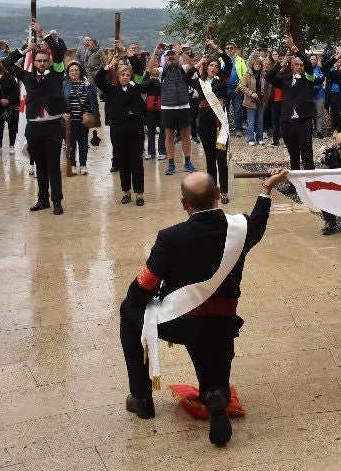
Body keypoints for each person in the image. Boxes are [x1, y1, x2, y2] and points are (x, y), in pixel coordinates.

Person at [119, 168, 286, 446]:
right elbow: (258, 221)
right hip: (221, 323)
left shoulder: (170, 237)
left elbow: (145, 285)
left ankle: (142, 398)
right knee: (216, 380)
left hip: (177, 322)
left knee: (128, 314)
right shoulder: (242, 229)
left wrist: (133, 301)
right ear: (219, 195)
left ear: (184, 203)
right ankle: (215, 396)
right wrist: (266, 187)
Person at [3, 20, 68, 215]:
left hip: (53, 125)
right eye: (38, 60)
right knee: (39, 166)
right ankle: (42, 199)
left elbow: (58, 53)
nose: (40, 63)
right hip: (34, 126)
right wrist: (24, 49)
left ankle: (57, 200)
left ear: (48, 62)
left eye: (44, 60)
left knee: (53, 167)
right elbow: (6, 63)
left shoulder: (56, 74)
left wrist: (43, 33)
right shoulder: (28, 77)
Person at [96, 46, 148, 206]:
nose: (125, 77)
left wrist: (127, 53)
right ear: (118, 76)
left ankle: (139, 193)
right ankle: (126, 191)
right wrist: (110, 65)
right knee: (122, 161)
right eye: (122, 75)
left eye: (127, 75)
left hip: (135, 127)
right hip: (118, 128)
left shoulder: (136, 86)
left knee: (136, 161)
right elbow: (98, 80)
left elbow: (139, 69)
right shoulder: (111, 90)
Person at [265, 37, 319, 187]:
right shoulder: (285, 80)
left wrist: (295, 48)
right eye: (296, 64)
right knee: (293, 155)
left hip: (304, 121)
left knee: (307, 155)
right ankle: (294, 185)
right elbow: (268, 77)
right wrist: (281, 63)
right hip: (287, 122)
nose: (299, 67)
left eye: (301, 65)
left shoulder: (309, 79)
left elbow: (308, 65)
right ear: (292, 65)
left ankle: (311, 184)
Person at [147, 45, 197, 175]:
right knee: (169, 136)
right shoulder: (161, 71)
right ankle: (171, 164)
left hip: (184, 106)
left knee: (186, 135)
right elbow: (148, 69)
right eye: (168, 54)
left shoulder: (184, 68)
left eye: (173, 54)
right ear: (166, 57)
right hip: (168, 107)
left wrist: (181, 52)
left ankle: (187, 162)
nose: (171, 56)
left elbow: (193, 64)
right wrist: (156, 52)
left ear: (177, 56)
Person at [193, 53, 230, 204]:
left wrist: (216, 47)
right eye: (211, 65)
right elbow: (186, 77)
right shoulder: (200, 83)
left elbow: (228, 62)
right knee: (210, 159)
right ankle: (213, 190)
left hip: (219, 122)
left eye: (216, 66)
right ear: (206, 67)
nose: (213, 68)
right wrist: (199, 63)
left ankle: (224, 192)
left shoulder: (221, 81)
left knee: (221, 158)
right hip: (204, 122)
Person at [63, 62, 97, 175]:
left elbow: (93, 101)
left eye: (76, 70)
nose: (74, 72)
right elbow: (60, 101)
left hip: (84, 120)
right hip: (70, 120)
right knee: (71, 144)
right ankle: (72, 164)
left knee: (83, 143)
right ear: (68, 73)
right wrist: (63, 113)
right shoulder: (65, 85)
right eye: (71, 70)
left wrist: (95, 116)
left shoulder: (87, 84)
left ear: (80, 71)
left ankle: (83, 164)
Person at [239, 55, 270, 146]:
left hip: (261, 100)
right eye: (256, 64)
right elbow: (242, 87)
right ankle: (250, 138)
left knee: (260, 120)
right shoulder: (248, 74)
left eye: (259, 65)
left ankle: (260, 138)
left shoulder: (263, 75)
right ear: (253, 65)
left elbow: (267, 87)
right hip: (250, 101)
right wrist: (251, 93)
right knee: (251, 121)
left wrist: (265, 95)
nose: (257, 66)